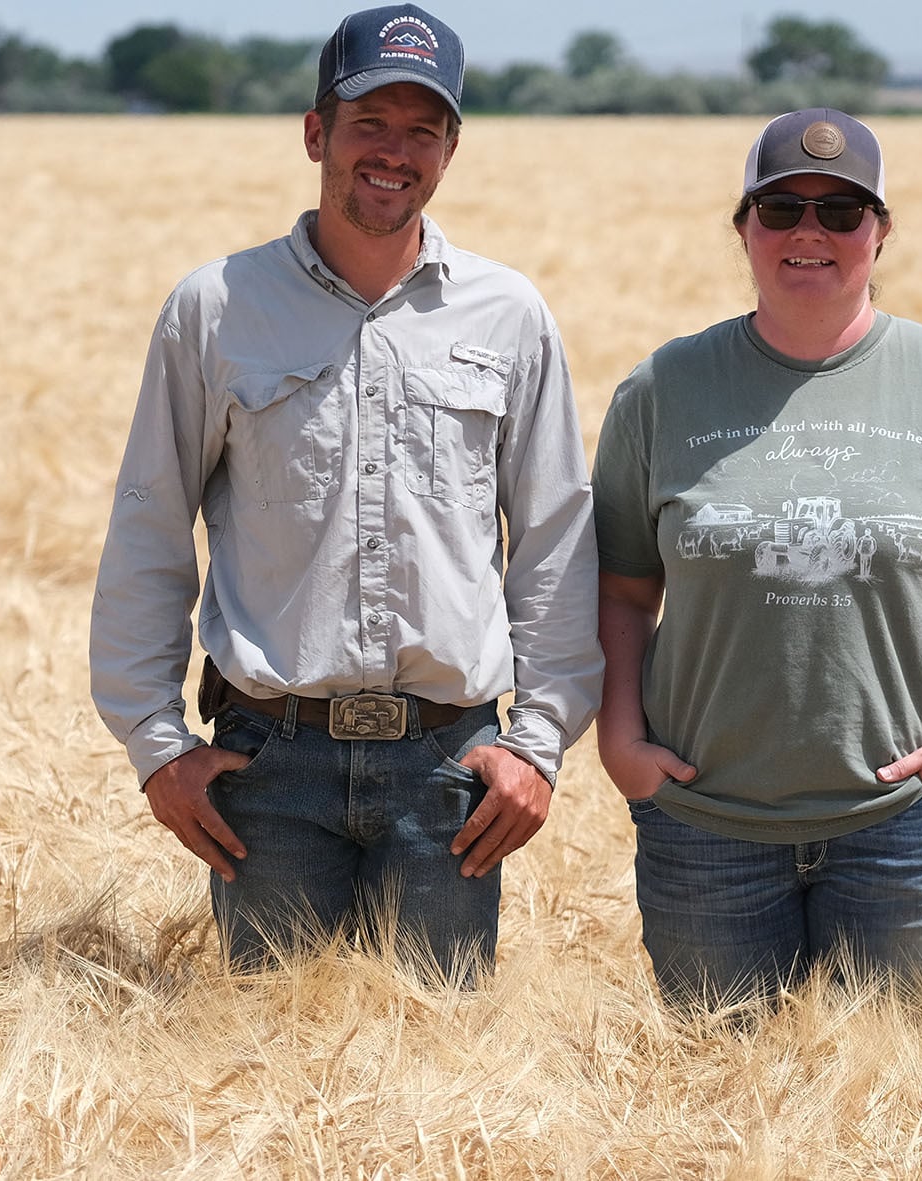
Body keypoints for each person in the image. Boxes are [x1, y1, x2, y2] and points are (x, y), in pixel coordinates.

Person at [90, 4, 600, 983]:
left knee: (441, 1096)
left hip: (448, 772)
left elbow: (554, 543)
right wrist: (157, 744)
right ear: (317, 131)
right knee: (270, 1094)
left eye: (423, 129)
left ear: (452, 147)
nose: (394, 152)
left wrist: (536, 744)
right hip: (267, 770)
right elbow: (151, 528)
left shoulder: (509, 315)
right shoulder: (216, 309)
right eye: (370, 122)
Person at [592, 109, 922, 1022]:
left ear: (881, 231)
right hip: (708, 833)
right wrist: (622, 742)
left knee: (909, 1126)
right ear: (743, 228)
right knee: (716, 1124)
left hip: (911, 836)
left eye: (842, 211)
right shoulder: (661, 391)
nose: (809, 231)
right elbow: (621, 588)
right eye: (781, 207)